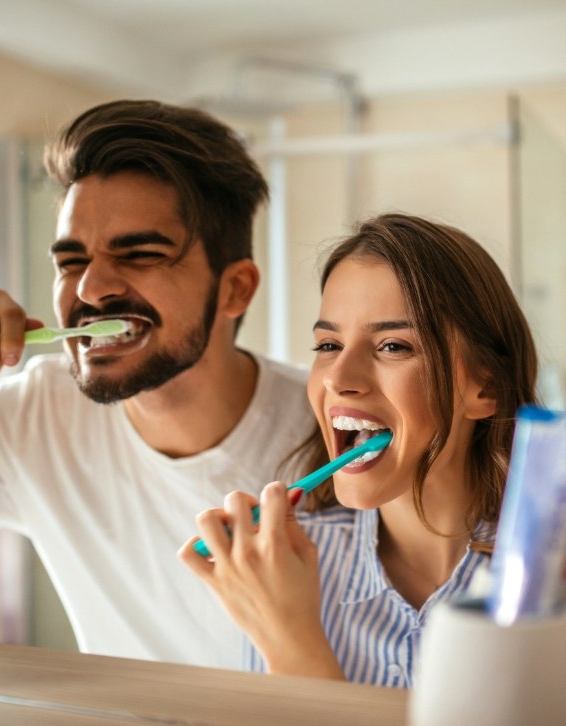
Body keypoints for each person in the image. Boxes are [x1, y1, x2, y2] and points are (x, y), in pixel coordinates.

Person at [0, 100, 320, 669]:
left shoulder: (333, 439)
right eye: (71, 262)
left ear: (236, 290)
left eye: (139, 253)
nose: (91, 290)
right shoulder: (34, 415)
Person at [180, 213, 539, 687]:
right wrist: (282, 631)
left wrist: (292, 644)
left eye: (393, 346)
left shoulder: (547, 572)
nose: (338, 379)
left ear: (486, 386)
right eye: (328, 344)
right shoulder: (281, 572)